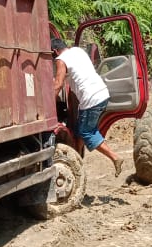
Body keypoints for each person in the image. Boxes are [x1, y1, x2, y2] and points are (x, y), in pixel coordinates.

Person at [51, 38, 127, 176]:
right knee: (80, 129)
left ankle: (115, 157)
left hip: (91, 99)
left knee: (86, 132)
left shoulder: (61, 59)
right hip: (102, 93)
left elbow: (58, 84)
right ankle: (78, 160)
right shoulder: (77, 50)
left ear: (55, 51)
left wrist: (49, 104)